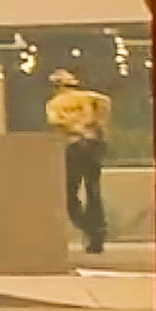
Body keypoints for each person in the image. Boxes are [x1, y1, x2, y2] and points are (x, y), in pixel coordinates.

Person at [47, 68, 115, 255]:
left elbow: (56, 123)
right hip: (93, 144)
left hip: (73, 146)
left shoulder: (54, 104)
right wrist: (101, 127)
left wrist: (76, 129)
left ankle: (87, 227)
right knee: (93, 190)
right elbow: (106, 102)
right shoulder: (87, 97)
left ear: (56, 86)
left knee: (70, 191)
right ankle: (98, 233)